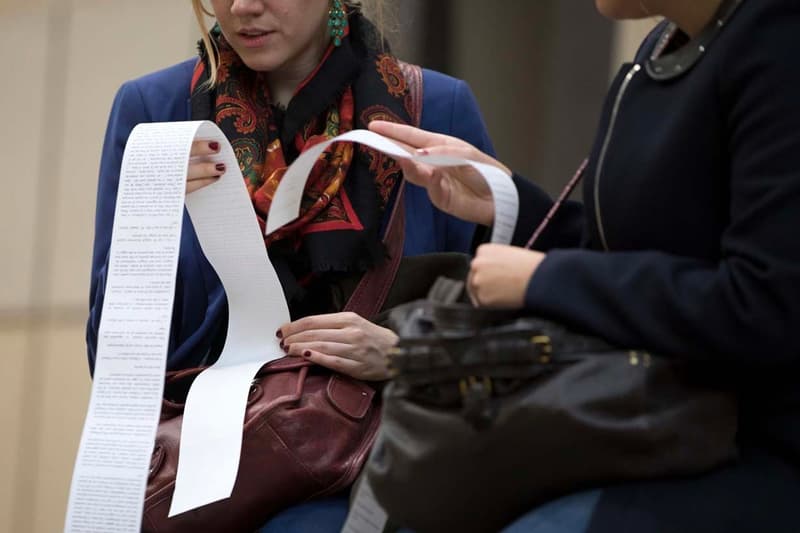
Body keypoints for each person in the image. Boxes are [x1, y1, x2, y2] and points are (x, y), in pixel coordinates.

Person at [371, 0, 800, 531]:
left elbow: (763, 305)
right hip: (648, 414)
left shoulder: (779, 47)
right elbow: (626, 257)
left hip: (743, 444)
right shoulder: (666, 45)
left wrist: (543, 280)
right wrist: (507, 201)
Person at [86, 0, 494, 530]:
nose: (242, 7)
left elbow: (500, 332)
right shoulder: (156, 107)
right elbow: (115, 359)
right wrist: (155, 219)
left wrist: (404, 354)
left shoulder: (434, 107)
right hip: (202, 488)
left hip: (380, 486)